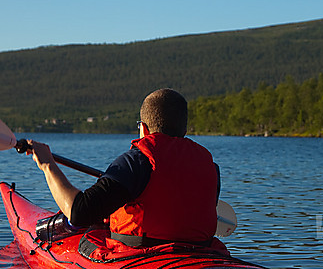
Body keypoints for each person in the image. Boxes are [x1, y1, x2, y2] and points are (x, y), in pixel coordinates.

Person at [27, 88, 220, 248]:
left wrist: (47, 165)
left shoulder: (137, 161)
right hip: (200, 252)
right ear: (184, 131)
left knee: (90, 233)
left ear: (143, 128)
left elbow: (79, 213)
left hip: (144, 255)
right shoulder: (210, 166)